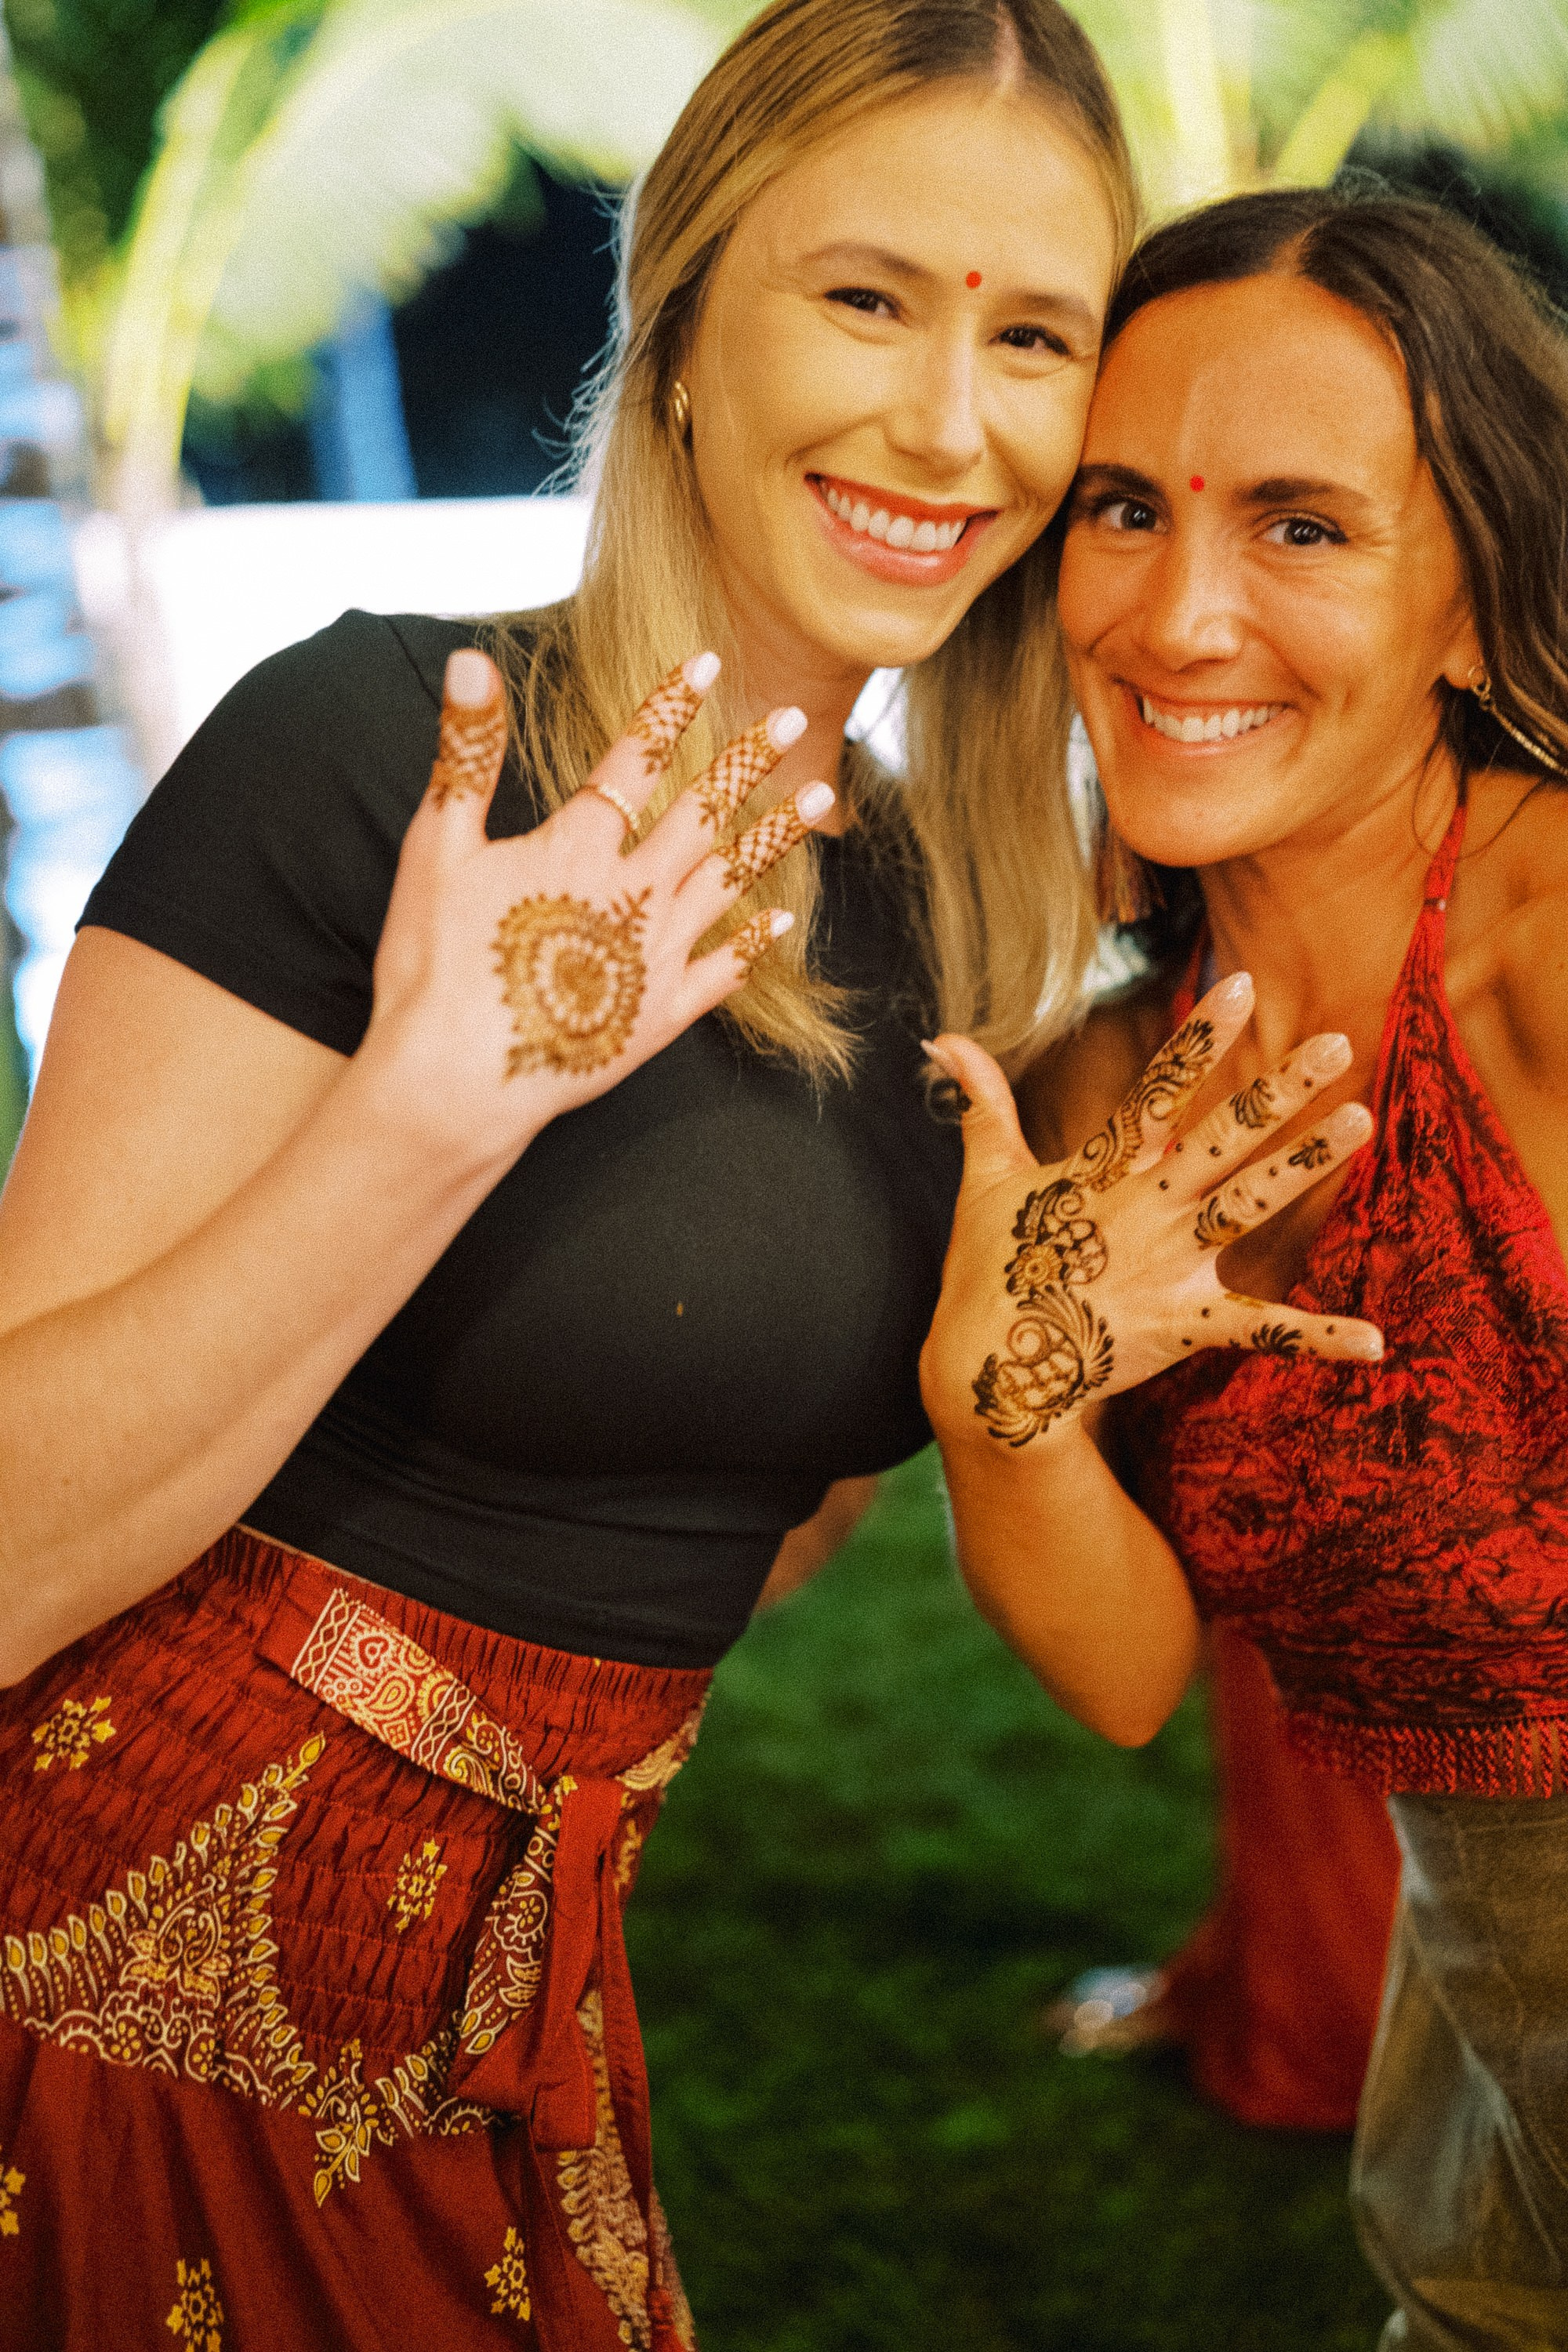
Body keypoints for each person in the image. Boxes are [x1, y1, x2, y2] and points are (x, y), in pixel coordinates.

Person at [0, 4, 1156, 2344]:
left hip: (516, 2028)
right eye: (868, 298)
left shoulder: (962, 923)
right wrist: (436, 1114)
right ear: (683, 324)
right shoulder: (380, 755)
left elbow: (754, 1478)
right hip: (116, 1984)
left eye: (1033, 337)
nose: (951, 421)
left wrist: (1006, 1394)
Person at [922, 183, 1568, 2349]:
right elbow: (1123, 1675)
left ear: (1480, 603)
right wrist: (998, 1399)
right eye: (1125, 509)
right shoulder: (1114, 1071)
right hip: (1487, 2130)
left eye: (1303, 526)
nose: (1180, 614)